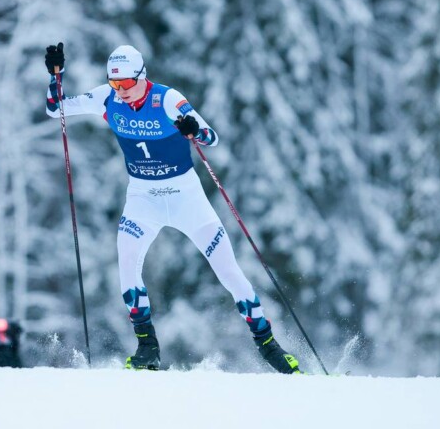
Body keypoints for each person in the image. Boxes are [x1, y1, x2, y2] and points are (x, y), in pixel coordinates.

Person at [43, 42, 302, 373]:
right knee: (126, 264)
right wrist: (56, 76)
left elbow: (211, 137)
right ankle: (147, 348)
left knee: (229, 272)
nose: (120, 91)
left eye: (126, 84)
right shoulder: (106, 98)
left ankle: (270, 348)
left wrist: (194, 130)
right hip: (142, 198)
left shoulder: (165, 98)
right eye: (114, 84)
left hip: (186, 198)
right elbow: (56, 109)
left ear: (142, 76)